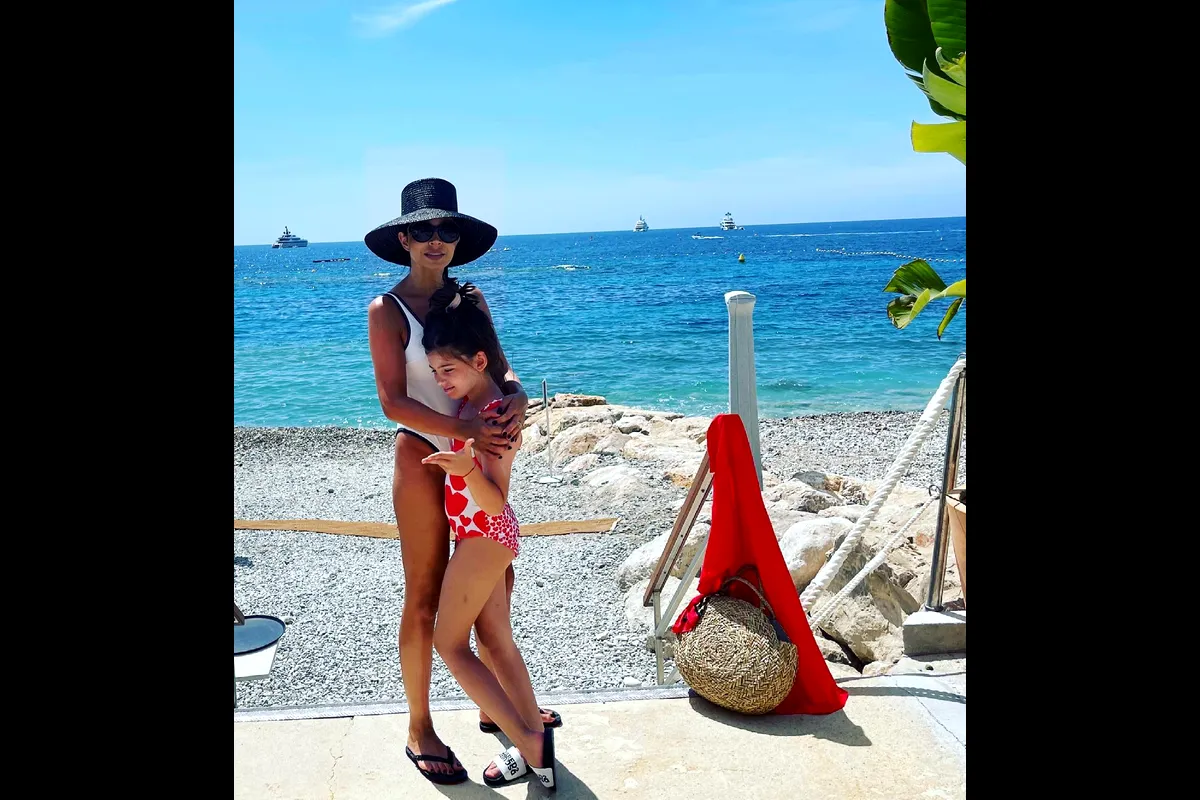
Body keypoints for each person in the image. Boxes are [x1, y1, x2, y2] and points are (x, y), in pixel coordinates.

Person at [365, 178, 559, 785]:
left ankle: (496, 705)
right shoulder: (386, 310)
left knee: (493, 587)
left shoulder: (470, 297)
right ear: (403, 239)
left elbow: (497, 367)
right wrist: (465, 430)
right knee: (424, 596)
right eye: (422, 230)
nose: (436, 240)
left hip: (478, 453)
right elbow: (394, 402)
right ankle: (420, 727)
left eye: (446, 229)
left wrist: (517, 397)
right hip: (424, 456)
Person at [419, 276, 557, 789]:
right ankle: (535, 744)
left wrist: (464, 470)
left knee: (449, 644)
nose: (441, 381)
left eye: (448, 370)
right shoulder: (482, 402)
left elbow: (495, 497)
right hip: (485, 536)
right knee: (496, 640)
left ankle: (529, 741)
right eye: (435, 371)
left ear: (479, 361)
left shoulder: (494, 415)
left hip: (484, 535)